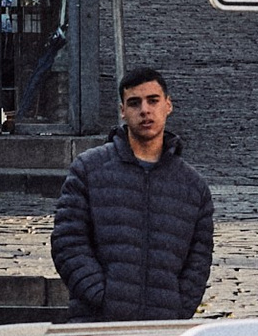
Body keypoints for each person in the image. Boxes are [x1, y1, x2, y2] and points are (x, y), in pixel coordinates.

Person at [50, 63, 215, 322]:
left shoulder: (193, 186)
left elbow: (199, 260)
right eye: (135, 103)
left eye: (153, 101)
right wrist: (102, 296)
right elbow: (68, 242)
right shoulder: (88, 170)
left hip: (162, 330)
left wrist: (177, 308)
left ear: (167, 105)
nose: (145, 110)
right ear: (123, 111)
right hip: (97, 325)